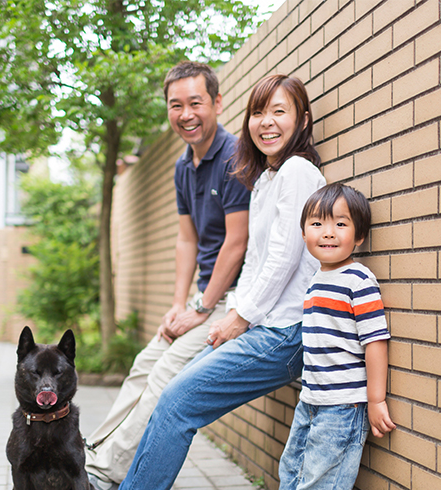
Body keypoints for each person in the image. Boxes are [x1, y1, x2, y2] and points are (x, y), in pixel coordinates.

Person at [119, 74, 327, 490]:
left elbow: (285, 259)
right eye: (258, 112)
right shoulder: (268, 178)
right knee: (172, 397)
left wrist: (240, 317)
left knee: (177, 403)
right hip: (260, 325)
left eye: (279, 112)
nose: (266, 122)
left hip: (286, 331)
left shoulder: (298, 172)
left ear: (302, 121)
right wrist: (235, 315)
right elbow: (255, 260)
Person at [84, 61, 250, 490]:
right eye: (176, 105)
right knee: (144, 363)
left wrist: (200, 308)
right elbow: (186, 242)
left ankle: (107, 474)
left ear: (216, 101)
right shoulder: (182, 166)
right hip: (203, 299)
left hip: (235, 301)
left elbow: (236, 243)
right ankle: (94, 454)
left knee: (166, 372)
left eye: (196, 102)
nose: (186, 114)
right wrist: (179, 305)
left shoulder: (235, 157)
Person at [278, 184, 394, 490]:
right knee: (291, 472)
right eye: (317, 224)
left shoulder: (358, 280)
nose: (328, 233)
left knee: (319, 483)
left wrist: (376, 399)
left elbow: (375, 341)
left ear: (359, 236)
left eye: (340, 224)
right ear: (303, 234)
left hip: (344, 406)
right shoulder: (315, 280)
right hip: (311, 400)